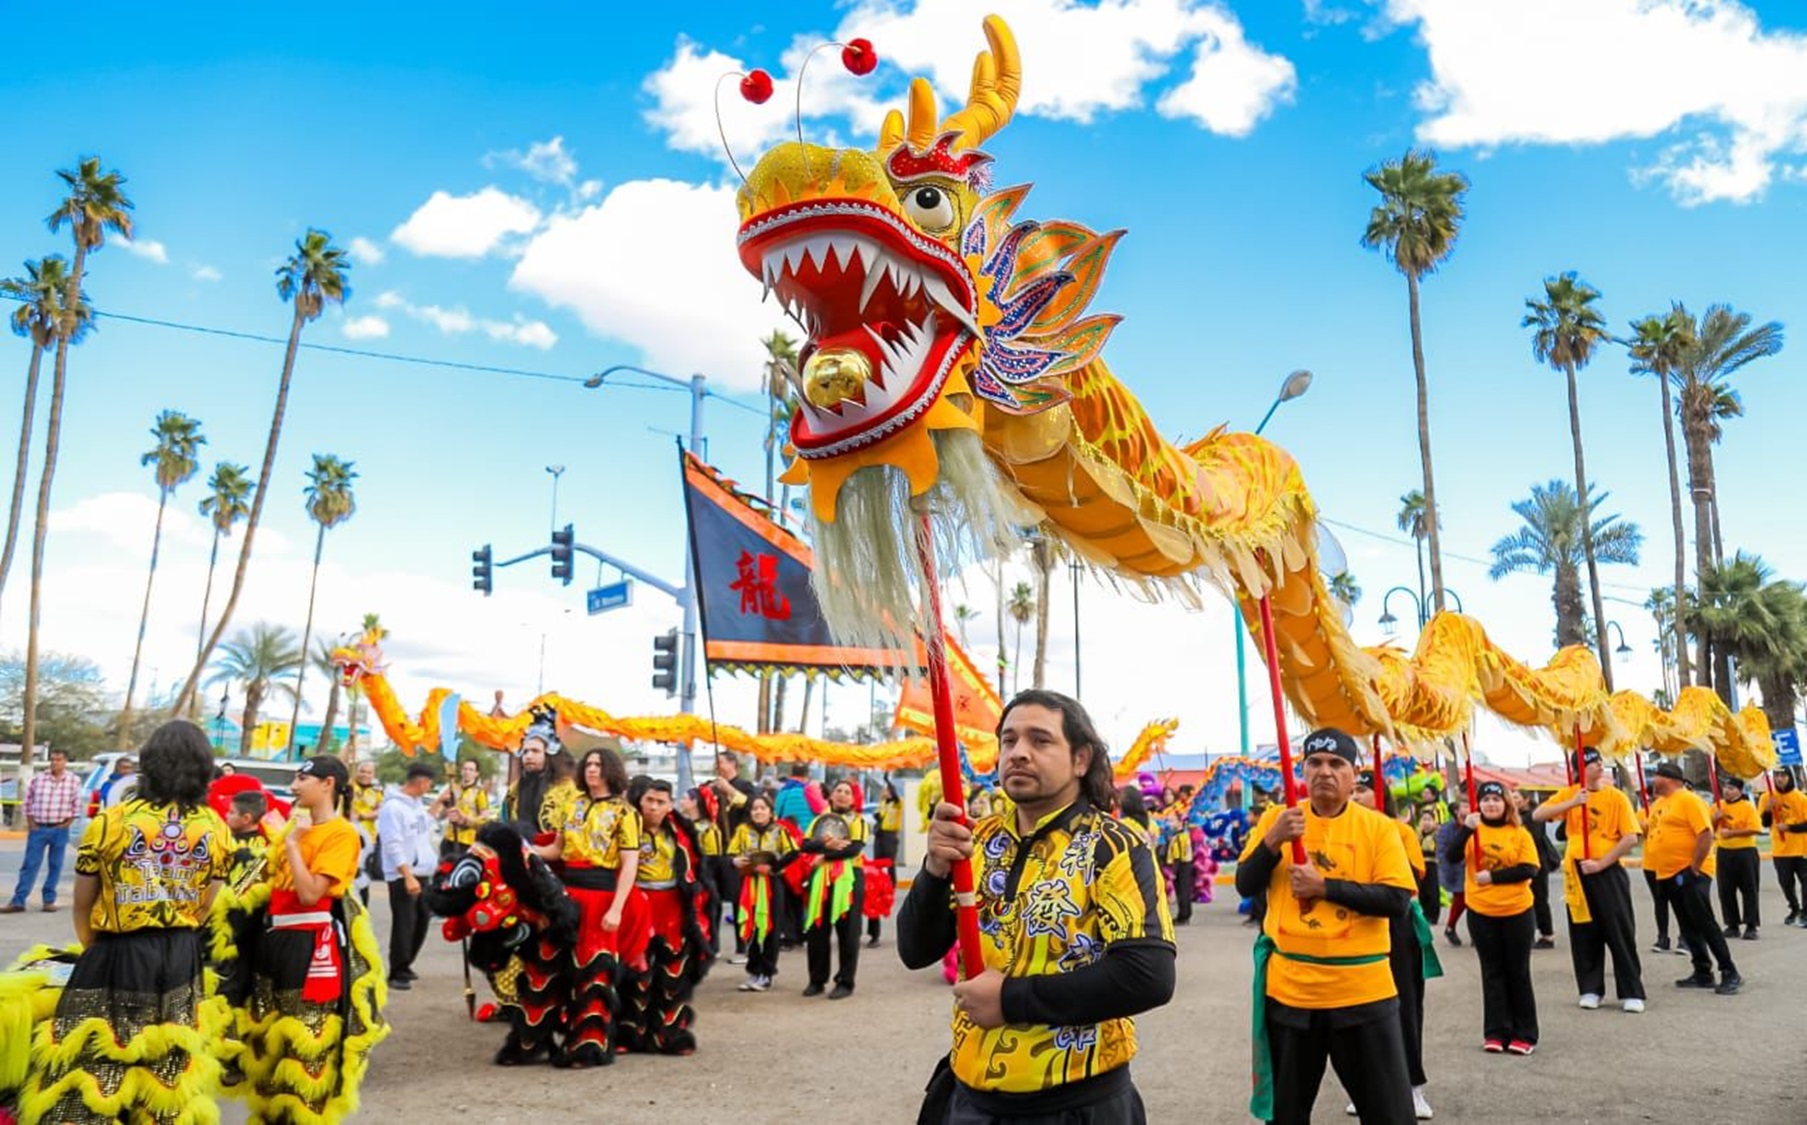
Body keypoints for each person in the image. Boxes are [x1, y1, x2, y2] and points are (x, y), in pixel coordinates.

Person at [899, 689, 1175, 1123]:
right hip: (972, 1099)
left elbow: (1148, 976)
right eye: (1009, 740)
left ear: (1080, 759)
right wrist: (934, 869)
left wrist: (1011, 1000)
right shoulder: (977, 840)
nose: (1019, 753)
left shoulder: (1115, 846)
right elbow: (915, 950)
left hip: (1078, 1103)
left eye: (1040, 740)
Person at [17, 722, 233, 1123]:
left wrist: (93, 946)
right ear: (204, 769)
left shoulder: (112, 821)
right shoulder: (217, 829)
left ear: (149, 763)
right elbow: (207, 905)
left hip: (117, 951)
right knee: (166, 1067)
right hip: (181, 956)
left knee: (98, 1062)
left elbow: (82, 903)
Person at [1236, 727, 1417, 1125]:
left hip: (1363, 994)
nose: (1325, 772)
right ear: (1302, 770)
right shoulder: (1276, 819)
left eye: (1337, 764)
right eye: (1315, 763)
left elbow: (1396, 901)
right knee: (1287, 1114)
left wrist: (1325, 887)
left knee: (1389, 1113)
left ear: (1354, 775)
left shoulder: (1378, 828)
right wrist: (1273, 841)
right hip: (1291, 994)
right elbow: (1245, 884)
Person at [241, 753, 389, 1122]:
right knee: (268, 1042)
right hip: (273, 940)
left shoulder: (341, 834)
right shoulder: (297, 824)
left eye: (301, 780)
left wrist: (291, 845)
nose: (293, 787)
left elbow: (310, 895)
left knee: (306, 1044)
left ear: (327, 785)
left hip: (309, 945)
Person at [531, 746, 648, 1067]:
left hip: (602, 897)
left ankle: (590, 1044)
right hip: (568, 896)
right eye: (588, 764)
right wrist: (523, 848)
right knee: (561, 966)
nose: (592, 769)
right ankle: (558, 1037)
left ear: (610, 769)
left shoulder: (626, 813)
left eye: (598, 764)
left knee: (593, 969)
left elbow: (629, 864)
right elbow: (556, 849)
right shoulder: (574, 804)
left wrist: (617, 908)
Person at [1352, 768, 1440, 1120]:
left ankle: (1411, 1086)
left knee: (1404, 1006)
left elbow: (1410, 877)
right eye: (1354, 790)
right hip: (1356, 925)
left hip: (1397, 925)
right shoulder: (1343, 829)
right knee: (1359, 1010)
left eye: (1363, 790)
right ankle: (1364, 1087)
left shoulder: (1400, 830)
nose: (1357, 796)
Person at [1534, 747, 1645, 1012]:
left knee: (1619, 930)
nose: (1598, 766)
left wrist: (1601, 863)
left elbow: (1630, 837)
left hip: (1607, 871)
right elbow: (1538, 815)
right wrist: (1572, 803)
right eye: (1591, 762)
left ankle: (1631, 990)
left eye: (1599, 761)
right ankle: (1590, 988)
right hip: (1577, 872)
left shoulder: (1616, 797)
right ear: (1578, 769)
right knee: (1584, 931)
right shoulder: (1571, 794)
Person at [619, 775, 713, 1055]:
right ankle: (628, 1033)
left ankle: (668, 1035)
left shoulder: (680, 834)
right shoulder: (626, 827)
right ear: (640, 800)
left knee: (672, 974)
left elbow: (696, 870)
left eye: (660, 802)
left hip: (672, 906)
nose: (653, 807)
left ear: (669, 805)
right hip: (639, 905)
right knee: (635, 972)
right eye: (649, 800)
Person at [1445, 781, 1540, 1053]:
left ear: (1506, 804)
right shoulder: (1473, 830)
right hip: (1481, 912)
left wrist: (1493, 877)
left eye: (1496, 799)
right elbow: (1451, 857)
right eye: (1485, 799)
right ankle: (1496, 1032)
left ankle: (1525, 1033)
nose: (1490, 804)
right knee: (1492, 972)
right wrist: (1466, 829)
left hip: (1517, 911)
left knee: (1517, 972)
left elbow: (1529, 869)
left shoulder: (1519, 834)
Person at [1646, 762, 1741, 995]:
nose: (1652, 781)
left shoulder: (1689, 800)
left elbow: (1705, 833)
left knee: (1704, 921)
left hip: (1690, 872)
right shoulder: (1658, 804)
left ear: (1670, 778)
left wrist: (1695, 867)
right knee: (1687, 925)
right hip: (1667, 874)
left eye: (1656, 776)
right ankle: (1702, 971)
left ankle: (1729, 971)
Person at [801, 778, 868, 999]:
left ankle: (845, 982)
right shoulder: (820, 820)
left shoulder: (858, 821)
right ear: (831, 795)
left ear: (853, 798)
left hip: (848, 879)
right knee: (817, 929)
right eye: (838, 790)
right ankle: (816, 980)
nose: (842, 794)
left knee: (848, 931)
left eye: (847, 792)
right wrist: (826, 846)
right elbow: (805, 844)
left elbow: (855, 849)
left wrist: (825, 856)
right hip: (821, 879)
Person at [377, 762, 442, 991]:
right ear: (420, 782)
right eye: (429, 783)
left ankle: (407, 962)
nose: (429, 787)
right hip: (403, 874)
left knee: (422, 920)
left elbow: (424, 826)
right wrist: (406, 875)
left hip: (422, 873)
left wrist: (440, 804)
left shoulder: (415, 805)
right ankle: (397, 969)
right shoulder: (393, 808)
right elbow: (392, 843)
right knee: (405, 922)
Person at [729, 793, 798, 992]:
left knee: (771, 929)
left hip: (772, 885)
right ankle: (753, 971)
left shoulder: (780, 831)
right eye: (754, 808)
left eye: (762, 808)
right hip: (749, 884)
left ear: (770, 812)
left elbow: (793, 852)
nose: (758, 812)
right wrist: (735, 861)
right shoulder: (742, 830)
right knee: (750, 927)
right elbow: (731, 854)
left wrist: (773, 868)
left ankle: (766, 973)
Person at [3, 747, 81, 915]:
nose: (55, 762)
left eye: (58, 759)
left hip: (59, 829)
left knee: (55, 865)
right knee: (30, 864)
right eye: (52, 759)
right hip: (39, 828)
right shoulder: (39, 779)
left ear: (65, 761)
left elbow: (76, 804)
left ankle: (48, 900)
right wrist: (31, 822)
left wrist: (68, 822)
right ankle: (18, 901)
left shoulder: (73, 780)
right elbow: (28, 800)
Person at [705, 750, 756, 958]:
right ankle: (712, 944)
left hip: (736, 848)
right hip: (715, 850)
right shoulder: (712, 787)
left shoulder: (744, 786)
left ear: (733, 764)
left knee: (738, 898)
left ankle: (742, 945)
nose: (718, 767)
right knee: (713, 898)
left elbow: (752, 805)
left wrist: (729, 790)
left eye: (722, 763)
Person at [1712, 774, 1762, 939]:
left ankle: (1751, 925)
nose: (1727, 791)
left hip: (1745, 851)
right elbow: (1709, 829)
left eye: (1731, 788)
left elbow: (1755, 828)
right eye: (1725, 787)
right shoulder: (1717, 806)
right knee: (1725, 890)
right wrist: (1715, 819)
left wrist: (1732, 833)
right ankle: (1732, 924)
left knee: (1749, 889)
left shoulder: (1747, 806)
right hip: (1724, 852)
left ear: (1739, 791)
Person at [1757, 768, 1807, 926]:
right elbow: (1764, 823)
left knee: (1806, 882)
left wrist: (1790, 828)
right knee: (1786, 882)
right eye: (1777, 775)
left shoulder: (1801, 798)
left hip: (1802, 848)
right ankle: (1794, 908)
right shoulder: (1767, 797)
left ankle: (1805, 913)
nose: (1779, 779)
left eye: (1783, 775)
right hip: (1781, 849)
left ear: (1790, 777)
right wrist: (1768, 809)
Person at [1514, 789, 1561, 949]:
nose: (1513, 801)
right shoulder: (1516, 817)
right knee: (1526, 900)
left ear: (1526, 800)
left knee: (1539, 899)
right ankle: (1530, 933)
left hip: (1537, 864)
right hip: (1522, 864)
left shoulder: (1534, 816)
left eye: (1516, 798)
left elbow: (1531, 838)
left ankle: (1547, 935)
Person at [439, 757, 493, 860]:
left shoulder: (479, 792)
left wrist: (465, 820)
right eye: (465, 769)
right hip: (449, 838)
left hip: (467, 841)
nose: (467, 772)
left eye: (471, 770)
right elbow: (441, 816)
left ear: (476, 773)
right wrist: (445, 805)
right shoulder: (453, 788)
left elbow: (484, 818)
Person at [1434, 799, 1470, 946]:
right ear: (1456, 811)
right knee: (1461, 899)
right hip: (1457, 870)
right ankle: (1450, 926)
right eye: (1465, 805)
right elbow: (1442, 853)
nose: (1467, 810)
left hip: (1475, 869)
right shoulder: (1446, 829)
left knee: (1471, 902)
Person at [351, 759, 384, 906]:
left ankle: (362, 908)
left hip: (368, 841)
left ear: (373, 774)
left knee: (364, 877)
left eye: (369, 772)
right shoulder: (349, 787)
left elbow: (380, 810)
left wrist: (363, 816)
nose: (365, 775)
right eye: (362, 771)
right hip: (349, 836)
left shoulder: (377, 791)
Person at [1414, 809, 1441, 926]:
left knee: (1432, 891)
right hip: (1420, 864)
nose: (1426, 822)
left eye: (1429, 819)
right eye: (1424, 819)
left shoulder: (1437, 834)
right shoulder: (1417, 834)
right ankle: (1424, 913)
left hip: (1432, 864)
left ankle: (1433, 915)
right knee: (1422, 890)